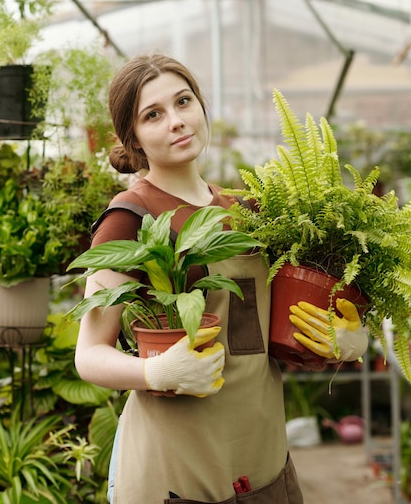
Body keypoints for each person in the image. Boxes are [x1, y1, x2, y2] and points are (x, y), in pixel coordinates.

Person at [74, 53, 368, 504]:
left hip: (266, 462)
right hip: (177, 474)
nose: (176, 121)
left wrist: (346, 338)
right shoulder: (131, 215)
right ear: (133, 137)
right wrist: (155, 371)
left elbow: (279, 328)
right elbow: (89, 356)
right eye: (153, 114)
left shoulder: (249, 210)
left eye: (183, 101)